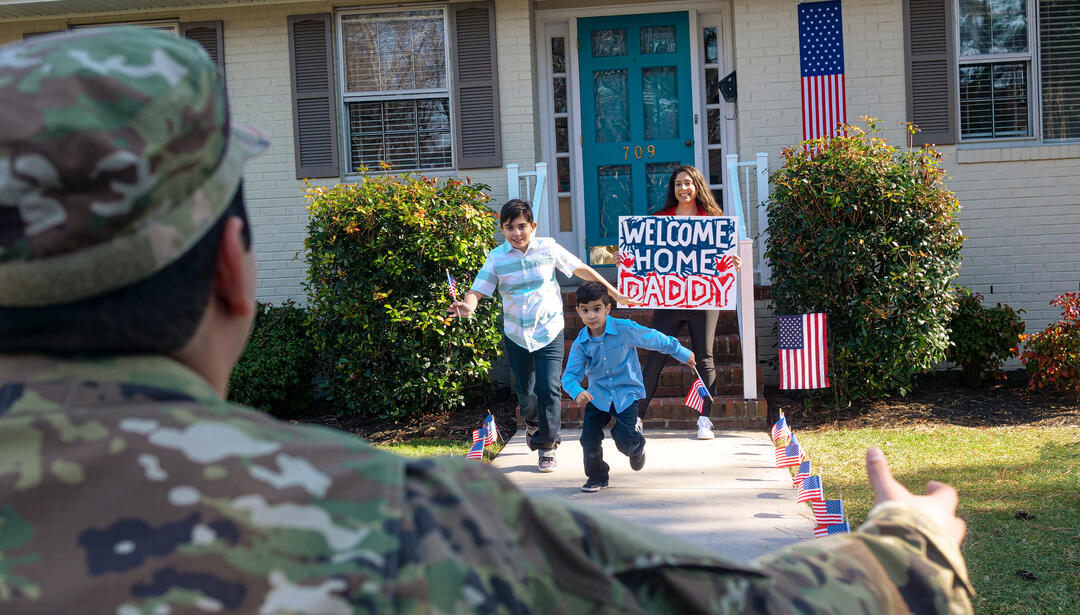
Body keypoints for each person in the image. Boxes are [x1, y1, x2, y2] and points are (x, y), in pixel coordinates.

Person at [0, 28, 975, 614]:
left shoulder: (568, 274)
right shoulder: (384, 528)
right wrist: (911, 545)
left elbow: (585, 276)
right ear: (233, 269)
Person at [449, 199, 638, 472]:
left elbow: (580, 268)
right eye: (509, 228)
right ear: (502, 229)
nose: (516, 233)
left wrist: (613, 291)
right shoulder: (497, 258)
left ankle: (547, 446)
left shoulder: (548, 248)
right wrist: (468, 306)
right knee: (526, 394)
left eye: (522, 227)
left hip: (549, 330)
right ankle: (533, 423)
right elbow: (478, 290)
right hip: (516, 334)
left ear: (533, 226)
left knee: (549, 389)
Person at [562, 282, 697, 492]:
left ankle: (637, 448)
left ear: (607, 308)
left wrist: (680, 352)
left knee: (626, 442)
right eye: (585, 310)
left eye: (597, 309)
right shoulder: (581, 343)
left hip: (627, 393)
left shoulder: (625, 329)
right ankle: (597, 477)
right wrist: (577, 390)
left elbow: (654, 338)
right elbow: (570, 375)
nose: (591, 316)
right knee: (588, 439)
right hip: (597, 396)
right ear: (578, 311)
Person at [639, 164, 740, 440]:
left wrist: (733, 263)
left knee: (704, 356)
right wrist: (626, 260)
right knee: (656, 356)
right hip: (670, 300)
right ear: (673, 190)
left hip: (704, 299)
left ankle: (705, 419)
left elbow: (722, 260)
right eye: (678, 185)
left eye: (688, 183)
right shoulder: (660, 220)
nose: (683, 188)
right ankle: (637, 417)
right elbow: (645, 258)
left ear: (697, 186)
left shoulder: (714, 220)